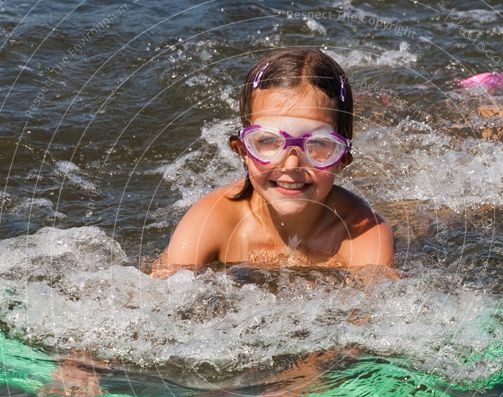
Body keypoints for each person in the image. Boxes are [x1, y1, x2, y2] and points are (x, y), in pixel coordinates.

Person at [157, 48, 394, 270]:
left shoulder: (364, 235)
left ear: (342, 159)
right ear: (243, 150)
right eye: (268, 141)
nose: (291, 165)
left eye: (318, 144)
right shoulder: (211, 223)